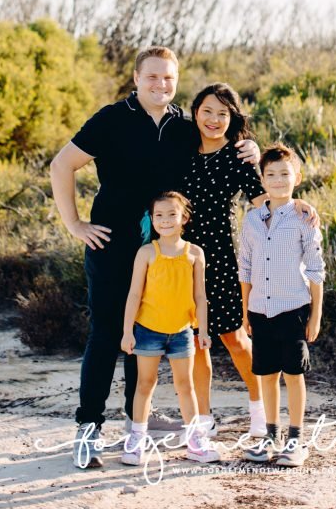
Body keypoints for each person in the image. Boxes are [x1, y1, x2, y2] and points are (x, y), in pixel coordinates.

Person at [49, 46, 259, 469]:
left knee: (146, 340)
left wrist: (250, 147)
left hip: (165, 252)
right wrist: (75, 225)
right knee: (108, 336)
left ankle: (135, 423)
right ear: (136, 78)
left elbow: (218, 141)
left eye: (169, 78)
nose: (161, 85)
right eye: (153, 77)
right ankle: (87, 430)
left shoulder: (184, 124)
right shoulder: (111, 119)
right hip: (112, 247)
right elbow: (61, 165)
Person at [179, 83, 320, 440]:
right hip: (181, 256)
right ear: (195, 112)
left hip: (221, 257)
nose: (213, 120)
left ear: (233, 118)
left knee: (235, 339)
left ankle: (259, 409)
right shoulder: (179, 148)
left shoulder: (239, 157)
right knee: (195, 341)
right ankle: (203, 418)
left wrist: (298, 207)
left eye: (222, 114)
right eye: (207, 111)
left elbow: (266, 202)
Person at [238, 143, 324, 468]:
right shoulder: (252, 220)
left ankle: (295, 439)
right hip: (260, 310)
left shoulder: (304, 219)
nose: (278, 180)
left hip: (293, 310)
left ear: (296, 177)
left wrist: (315, 315)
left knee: (293, 374)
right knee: (267, 375)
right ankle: (270, 437)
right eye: (271, 174)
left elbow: (316, 269)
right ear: (261, 179)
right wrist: (247, 310)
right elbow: (245, 267)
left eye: (284, 174)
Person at [120, 191, 221, 465]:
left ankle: (195, 441)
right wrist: (127, 331)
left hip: (182, 331)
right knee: (145, 384)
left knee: (185, 386)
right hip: (147, 330)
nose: (165, 220)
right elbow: (133, 295)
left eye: (172, 214)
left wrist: (203, 330)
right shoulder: (146, 252)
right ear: (151, 220)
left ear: (184, 217)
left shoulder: (194, 254)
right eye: (159, 215)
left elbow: (200, 296)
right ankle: (136, 441)